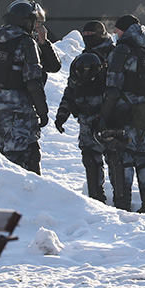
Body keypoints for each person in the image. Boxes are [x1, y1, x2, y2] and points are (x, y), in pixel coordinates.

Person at [0, 0, 59, 175]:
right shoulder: (26, 43)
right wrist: (42, 111)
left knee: (2, 159)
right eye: (35, 23)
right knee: (24, 162)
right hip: (20, 115)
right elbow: (33, 82)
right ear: (27, 21)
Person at [100, 14, 145, 214]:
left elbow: (112, 86)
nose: (114, 33)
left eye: (117, 30)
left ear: (125, 31)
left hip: (124, 111)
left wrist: (104, 116)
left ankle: (124, 205)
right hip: (144, 112)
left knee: (124, 158)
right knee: (143, 158)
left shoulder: (122, 50)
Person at [55, 21, 116, 202]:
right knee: (90, 158)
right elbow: (72, 88)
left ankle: (121, 200)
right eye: (85, 34)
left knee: (115, 158)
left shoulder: (114, 57)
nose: (87, 37)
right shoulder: (83, 58)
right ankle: (96, 199)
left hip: (110, 117)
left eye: (91, 34)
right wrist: (62, 114)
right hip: (86, 118)